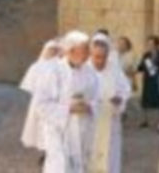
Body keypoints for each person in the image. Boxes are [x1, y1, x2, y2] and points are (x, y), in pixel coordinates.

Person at [36, 31, 99, 173]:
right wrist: (68, 109)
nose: (89, 54)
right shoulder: (53, 72)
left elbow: (97, 98)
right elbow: (41, 104)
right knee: (60, 167)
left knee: (81, 166)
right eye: (85, 50)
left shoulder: (90, 72)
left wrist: (89, 107)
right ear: (71, 51)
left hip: (83, 128)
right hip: (60, 131)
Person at [89, 35, 131, 173]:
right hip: (90, 123)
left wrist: (119, 98)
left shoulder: (114, 70)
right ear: (91, 54)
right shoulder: (84, 70)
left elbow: (125, 89)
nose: (100, 61)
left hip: (110, 122)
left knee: (110, 158)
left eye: (103, 57)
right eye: (96, 57)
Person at [19, 40, 62, 161]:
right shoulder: (36, 66)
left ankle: (52, 152)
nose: (52, 52)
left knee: (54, 129)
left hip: (56, 102)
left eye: (55, 50)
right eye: (50, 50)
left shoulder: (60, 66)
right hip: (39, 103)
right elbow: (30, 85)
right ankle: (45, 153)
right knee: (41, 129)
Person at [138, 35, 159, 129]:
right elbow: (141, 66)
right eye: (148, 44)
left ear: (156, 44)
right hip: (148, 80)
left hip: (158, 79)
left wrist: (156, 69)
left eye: (151, 44)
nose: (150, 45)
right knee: (145, 101)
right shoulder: (146, 55)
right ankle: (145, 120)